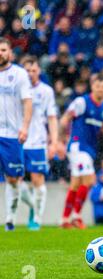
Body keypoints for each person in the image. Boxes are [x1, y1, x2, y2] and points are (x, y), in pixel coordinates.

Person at [60, 74, 103, 229]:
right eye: (97, 86)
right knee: (90, 180)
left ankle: (65, 219)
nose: (100, 89)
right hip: (78, 147)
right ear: (92, 86)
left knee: (76, 184)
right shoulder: (81, 102)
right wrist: (59, 140)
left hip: (89, 149)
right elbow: (65, 118)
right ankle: (77, 216)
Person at [20, 56, 58, 230]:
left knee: (37, 179)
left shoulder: (46, 91)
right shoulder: (14, 89)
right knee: (14, 180)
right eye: (27, 70)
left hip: (37, 141)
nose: (30, 73)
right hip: (17, 140)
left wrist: (54, 142)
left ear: (39, 71)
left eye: (34, 70)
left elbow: (52, 118)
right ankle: (33, 206)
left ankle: (36, 218)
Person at [0, 37, 32, 231]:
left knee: (13, 179)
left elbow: (27, 102)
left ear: (10, 52)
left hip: (12, 135)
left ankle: (20, 211)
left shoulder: (19, 74)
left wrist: (25, 127)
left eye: (3, 50)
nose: (0, 53)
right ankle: (9, 220)